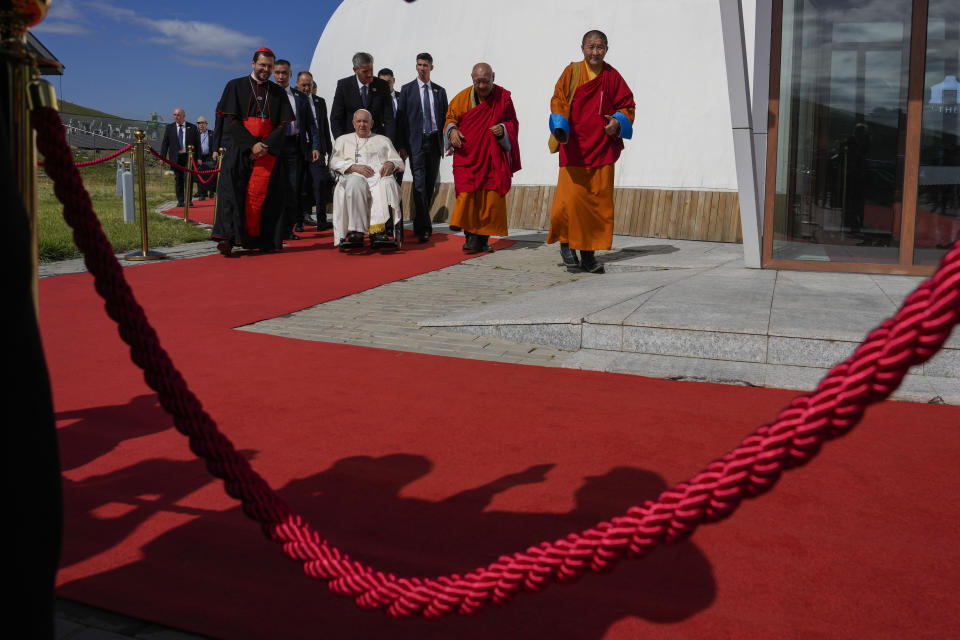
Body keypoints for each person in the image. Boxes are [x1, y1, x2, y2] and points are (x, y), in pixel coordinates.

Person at [546, 29, 635, 274]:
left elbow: (627, 105)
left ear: (606, 49)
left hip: (601, 149)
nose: (595, 52)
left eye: (600, 47)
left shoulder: (612, 76)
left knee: (596, 206)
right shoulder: (572, 72)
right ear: (582, 48)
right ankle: (566, 245)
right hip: (574, 148)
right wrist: (561, 127)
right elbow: (558, 100)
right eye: (591, 47)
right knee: (569, 203)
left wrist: (617, 123)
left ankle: (588, 255)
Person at [210, 47, 295, 256]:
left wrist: (265, 145)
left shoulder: (277, 92)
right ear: (253, 64)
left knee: (266, 197)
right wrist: (251, 144)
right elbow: (231, 120)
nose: (266, 70)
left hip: (267, 151)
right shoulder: (235, 86)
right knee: (232, 193)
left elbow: (282, 125)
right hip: (240, 149)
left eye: (269, 66)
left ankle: (263, 240)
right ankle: (228, 239)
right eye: (262, 65)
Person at [444, 62, 521, 253]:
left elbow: (513, 122)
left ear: (493, 77)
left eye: (485, 81)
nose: (481, 86)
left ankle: (484, 239)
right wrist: (452, 131)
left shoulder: (503, 98)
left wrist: (503, 128)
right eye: (477, 82)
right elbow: (450, 118)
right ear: (472, 78)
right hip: (467, 157)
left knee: (489, 199)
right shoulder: (461, 99)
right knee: (467, 196)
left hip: (491, 157)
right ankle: (471, 238)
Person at [328, 109, 403, 249]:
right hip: (352, 176)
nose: (362, 124)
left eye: (365, 121)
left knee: (387, 183)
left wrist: (391, 163)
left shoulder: (383, 140)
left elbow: (399, 162)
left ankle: (379, 231)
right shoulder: (342, 140)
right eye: (359, 121)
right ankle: (356, 231)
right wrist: (353, 167)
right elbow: (333, 162)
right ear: (353, 123)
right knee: (356, 182)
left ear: (372, 123)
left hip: (378, 179)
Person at [397, 52, 448, 243]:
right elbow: (401, 120)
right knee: (419, 184)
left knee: (428, 186)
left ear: (431, 68)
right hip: (416, 144)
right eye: (419, 65)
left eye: (426, 65)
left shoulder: (439, 91)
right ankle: (425, 228)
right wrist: (402, 145)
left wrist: (447, 142)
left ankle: (419, 224)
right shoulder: (407, 90)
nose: (422, 68)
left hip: (434, 143)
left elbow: (445, 118)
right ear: (416, 67)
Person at [272, 59, 320, 238]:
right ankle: (272, 228)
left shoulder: (299, 98)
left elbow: (311, 125)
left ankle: (286, 230)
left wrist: (315, 146)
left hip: (294, 147)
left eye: (284, 73)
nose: (281, 76)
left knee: (292, 189)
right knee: (274, 188)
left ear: (290, 75)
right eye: (277, 72)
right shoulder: (268, 95)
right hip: (272, 147)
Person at [330, 52, 397, 147]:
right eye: (365, 71)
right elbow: (336, 118)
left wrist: (388, 143)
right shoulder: (344, 86)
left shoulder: (382, 86)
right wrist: (342, 142)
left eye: (371, 70)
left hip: (377, 141)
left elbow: (389, 119)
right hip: (351, 142)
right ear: (355, 70)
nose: (370, 74)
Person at [297, 73, 334, 230]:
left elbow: (324, 126)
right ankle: (299, 221)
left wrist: (329, 150)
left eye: (309, 85)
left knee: (320, 183)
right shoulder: (294, 100)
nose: (306, 88)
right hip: (298, 149)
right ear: (297, 84)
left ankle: (321, 219)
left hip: (317, 148)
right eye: (303, 85)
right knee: (300, 184)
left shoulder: (320, 102)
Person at [159, 107, 201, 207]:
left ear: (183, 116)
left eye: (178, 115)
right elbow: (165, 143)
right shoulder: (170, 128)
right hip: (176, 158)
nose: (176, 117)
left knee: (188, 179)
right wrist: (162, 157)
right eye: (174, 115)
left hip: (188, 158)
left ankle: (189, 200)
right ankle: (181, 200)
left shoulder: (192, 128)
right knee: (178, 179)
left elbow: (197, 144)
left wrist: (199, 158)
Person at [194, 116, 216, 200]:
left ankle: (211, 191)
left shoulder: (211, 133)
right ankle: (202, 193)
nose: (201, 125)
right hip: (200, 157)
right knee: (200, 175)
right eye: (199, 123)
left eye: (202, 123)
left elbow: (215, 144)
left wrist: (215, 152)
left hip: (209, 157)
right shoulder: (196, 134)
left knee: (210, 174)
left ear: (206, 124)